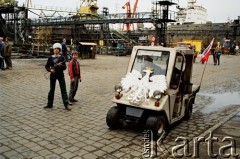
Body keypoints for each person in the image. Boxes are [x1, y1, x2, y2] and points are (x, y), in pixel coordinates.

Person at [44, 43, 71, 111]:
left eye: (57, 49)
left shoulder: (62, 57)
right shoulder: (50, 58)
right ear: (53, 50)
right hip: (53, 75)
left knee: (63, 90)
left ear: (59, 50)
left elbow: (64, 67)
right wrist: (50, 70)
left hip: (60, 75)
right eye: (55, 49)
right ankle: (49, 104)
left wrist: (60, 65)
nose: (56, 50)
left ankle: (66, 104)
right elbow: (46, 66)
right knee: (51, 89)